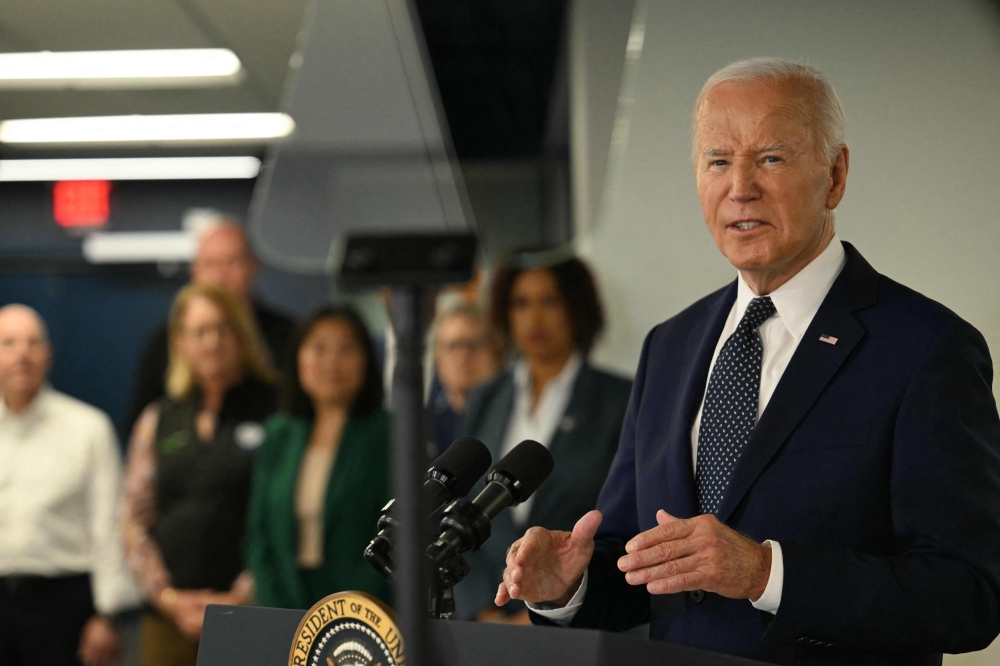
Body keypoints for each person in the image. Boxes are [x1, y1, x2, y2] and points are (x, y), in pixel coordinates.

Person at [495, 58, 1000, 664]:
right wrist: (567, 588)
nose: (740, 187)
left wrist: (767, 573)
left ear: (835, 176)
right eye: (718, 161)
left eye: (770, 159)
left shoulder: (925, 347)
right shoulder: (670, 346)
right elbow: (637, 559)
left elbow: (968, 596)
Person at [457, 253, 633, 623]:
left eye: (549, 301)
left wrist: (541, 610)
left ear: (576, 307)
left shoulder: (619, 400)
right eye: (521, 303)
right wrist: (484, 609)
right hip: (486, 624)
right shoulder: (485, 398)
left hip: (575, 618)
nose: (534, 318)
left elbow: (626, 521)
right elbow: (462, 510)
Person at [123, 283, 278, 666]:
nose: (212, 343)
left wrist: (241, 597)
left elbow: (283, 519)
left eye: (222, 328)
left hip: (252, 614)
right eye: (199, 332)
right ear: (180, 341)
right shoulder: (158, 418)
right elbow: (132, 518)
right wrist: (168, 598)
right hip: (169, 617)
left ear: (241, 334)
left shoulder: (277, 414)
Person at [0, 304, 140, 666]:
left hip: (64, 605)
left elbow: (110, 525)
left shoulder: (87, 428)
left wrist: (108, 615)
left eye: (32, 343)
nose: (22, 355)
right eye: (9, 343)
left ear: (48, 354)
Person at [245, 305, 391, 609]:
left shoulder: (388, 433)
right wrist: (274, 603)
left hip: (364, 608)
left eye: (346, 349)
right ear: (298, 357)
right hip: (283, 604)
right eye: (318, 348)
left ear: (367, 359)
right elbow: (258, 537)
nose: (331, 361)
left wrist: (353, 605)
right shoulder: (278, 434)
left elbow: (396, 536)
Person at [124, 221, 294, 434]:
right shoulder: (164, 340)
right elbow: (141, 423)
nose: (220, 276)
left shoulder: (290, 336)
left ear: (253, 265)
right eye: (210, 264)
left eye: (231, 262)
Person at [427, 301, 501, 458]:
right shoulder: (424, 425)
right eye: (453, 346)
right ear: (437, 358)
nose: (463, 356)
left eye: (473, 344)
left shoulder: (511, 414)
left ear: (495, 352)